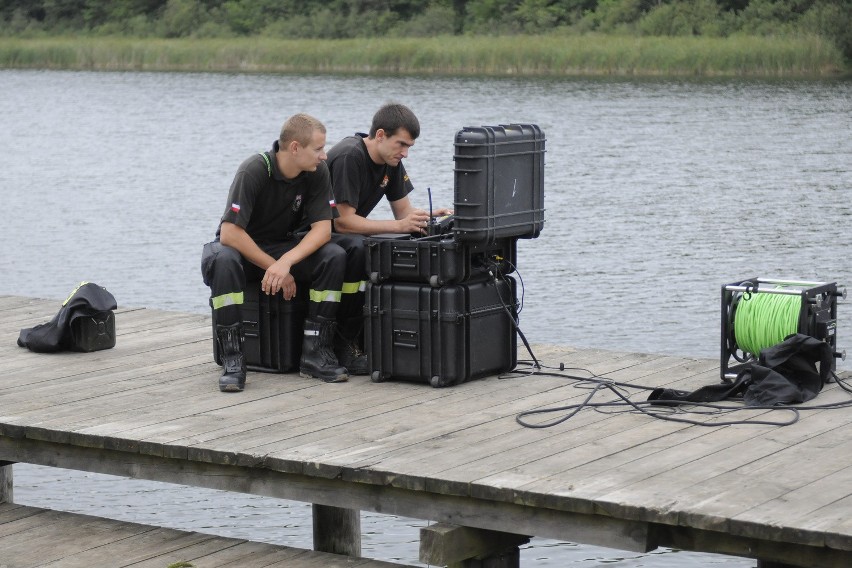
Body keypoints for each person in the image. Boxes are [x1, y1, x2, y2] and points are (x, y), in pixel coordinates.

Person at [201, 113, 366, 392]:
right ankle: (233, 359)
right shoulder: (254, 169)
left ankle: (316, 352)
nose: (324, 156)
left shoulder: (316, 172)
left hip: (281, 247)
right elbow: (230, 233)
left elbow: (323, 230)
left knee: (335, 255)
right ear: (294, 148)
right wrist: (273, 266)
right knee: (225, 261)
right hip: (239, 248)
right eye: (318, 149)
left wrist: (286, 262)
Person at [326, 102, 452, 236]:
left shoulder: (392, 160)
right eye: (401, 144)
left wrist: (432, 218)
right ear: (380, 135)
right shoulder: (349, 156)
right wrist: (399, 226)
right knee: (361, 246)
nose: (405, 154)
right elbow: (343, 223)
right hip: (312, 233)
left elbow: (403, 211)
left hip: (341, 234)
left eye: (409, 147)